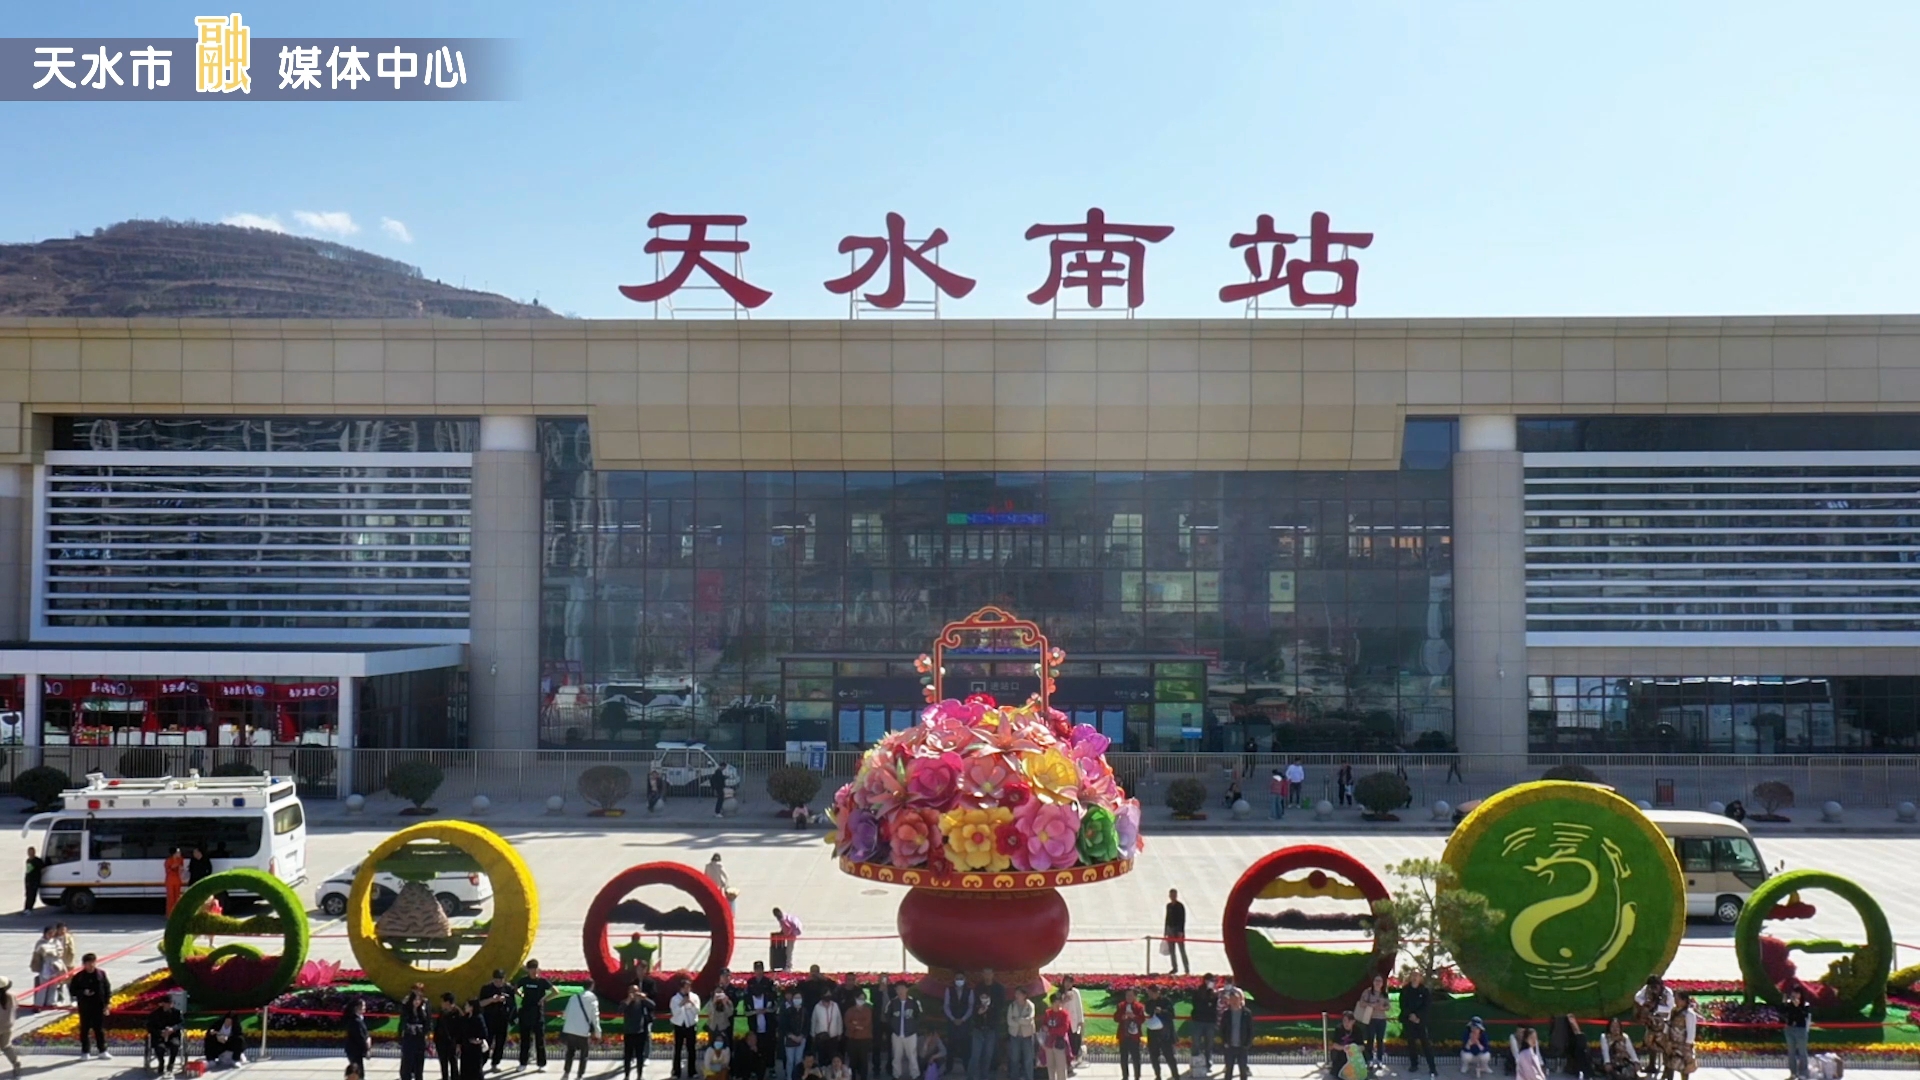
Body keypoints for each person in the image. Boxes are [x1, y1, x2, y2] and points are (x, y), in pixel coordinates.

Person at [518, 958, 559, 1069]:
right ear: (528, 970)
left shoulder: (542, 981)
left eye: (535, 968)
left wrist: (544, 999)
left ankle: (541, 1064)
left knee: (539, 1040)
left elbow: (555, 991)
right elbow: (515, 988)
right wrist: (521, 994)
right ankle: (523, 1063)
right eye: (531, 969)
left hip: (537, 1014)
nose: (533, 971)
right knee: (525, 1040)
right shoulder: (524, 980)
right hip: (525, 1013)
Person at [70, 951, 110, 1060]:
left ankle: (102, 1050)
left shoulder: (101, 974)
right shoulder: (79, 977)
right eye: (88, 963)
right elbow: (73, 990)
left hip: (98, 1006)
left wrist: (107, 1004)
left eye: (93, 962)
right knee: (85, 1029)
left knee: (99, 1029)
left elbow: (107, 989)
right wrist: (83, 992)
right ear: (84, 964)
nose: (91, 965)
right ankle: (85, 1051)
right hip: (85, 1006)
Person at [1634, 976, 1674, 1076]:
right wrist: (1645, 1003)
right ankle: (1651, 1065)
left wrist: (1656, 1007)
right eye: (1651, 987)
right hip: (1651, 1021)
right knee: (1650, 1043)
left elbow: (1670, 1008)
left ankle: (1667, 1069)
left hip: (1664, 1022)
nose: (1653, 989)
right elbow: (1637, 997)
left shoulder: (1668, 993)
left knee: (1664, 1046)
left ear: (1660, 985)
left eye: (1655, 987)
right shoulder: (1646, 989)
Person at [561, 986, 603, 1079]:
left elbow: (566, 1013)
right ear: (592, 986)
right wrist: (598, 1032)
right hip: (583, 1031)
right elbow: (595, 1017)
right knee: (584, 1055)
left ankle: (566, 1073)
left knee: (570, 1052)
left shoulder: (573, 997)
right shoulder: (592, 999)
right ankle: (579, 1075)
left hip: (570, 1029)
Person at [480, 968, 518, 1071]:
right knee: (487, 1042)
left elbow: (513, 1004)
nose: (498, 983)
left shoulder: (508, 989)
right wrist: (492, 1000)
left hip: (502, 1019)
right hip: (489, 1019)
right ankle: (481, 1062)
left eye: (500, 981)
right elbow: (480, 1003)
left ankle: (495, 1063)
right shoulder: (486, 988)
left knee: (500, 1042)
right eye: (496, 981)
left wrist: (505, 1000)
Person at [144, 981, 181, 1076]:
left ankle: (171, 1063)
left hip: (172, 1035)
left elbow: (181, 1023)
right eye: (168, 1003)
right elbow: (149, 1026)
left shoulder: (176, 1013)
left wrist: (173, 1029)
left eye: (171, 1003)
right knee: (160, 1047)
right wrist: (160, 1032)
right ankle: (161, 1062)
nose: (170, 1005)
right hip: (159, 1036)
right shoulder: (154, 1014)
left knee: (175, 1045)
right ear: (163, 1004)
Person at [885, 983, 921, 1080]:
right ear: (896, 990)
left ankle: (915, 1075)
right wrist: (893, 1027)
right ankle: (896, 1075)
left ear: (907, 989)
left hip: (911, 1034)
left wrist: (913, 1027)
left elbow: (919, 1016)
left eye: (902, 988)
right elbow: (887, 1016)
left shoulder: (914, 1002)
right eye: (898, 989)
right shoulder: (892, 1003)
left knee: (912, 1056)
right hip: (897, 1034)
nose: (900, 991)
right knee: (896, 1056)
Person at [942, 973, 974, 1075]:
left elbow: (971, 1006)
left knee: (966, 1046)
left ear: (965, 979)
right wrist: (952, 1018)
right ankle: (949, 1068)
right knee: (950, 1046)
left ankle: (967, 1068)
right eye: (957, 978)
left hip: (965, 1022)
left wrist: (963, 1019)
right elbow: (946, 1005)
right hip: (952, 1022)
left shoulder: (969, 991)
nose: (959, 980)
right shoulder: (949, 990)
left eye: (961, 978)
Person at [624, 982, 658, 1080]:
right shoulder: (626, 1002)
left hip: (640, 1032)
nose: (635, 993)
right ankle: (627, 1075)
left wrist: (644, 998)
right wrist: (629, 1000)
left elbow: (653, 1005)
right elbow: (620, 1010)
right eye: (632, 991)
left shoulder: (642, 1002)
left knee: (640, 1055)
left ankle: (639, 1075)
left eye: (636, 991)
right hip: (629, 1032)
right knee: (628, 1056)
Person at [399, 982, 433, 1080]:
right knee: (407, 1065)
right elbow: (403, 1021)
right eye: (415, 991)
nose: (418, 994)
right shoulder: (406, 1003)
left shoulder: (425, 1004)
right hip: (409, 1038)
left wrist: (428, 1036)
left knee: (419, 1065)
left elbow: (428, 1021)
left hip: (420, 1038)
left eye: (420, 992)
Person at [674, 977, 706, 1079]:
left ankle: (692, 1071)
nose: (687, 989)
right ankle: (676, 1072)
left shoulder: (694, 997)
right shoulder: (675, 999)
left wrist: (691, 1004)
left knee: (691, 1049)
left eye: (689, 987)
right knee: (678, 1049)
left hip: (691, 1025)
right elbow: (674, 1012)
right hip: (679, 1026)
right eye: (685, 987)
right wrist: (681, 1004)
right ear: (681, 988)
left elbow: (698, 1010)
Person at [1187, 974, 1219, 1076]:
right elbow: (1197, 1005)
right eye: (1210, 981)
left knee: (1209, 1043)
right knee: (1196, 1042)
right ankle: (1195, 1062)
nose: (1212, 983)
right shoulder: (1198, 992)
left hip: (1210, 1022)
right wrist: (1207, 1002)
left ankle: (1208, 1063)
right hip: (1198, 1021)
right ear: (1205, 981)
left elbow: (1214, 1006)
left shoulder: (1214, 993)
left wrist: (1211, 1000)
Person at [1356, 974, 1389, 1067]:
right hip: (1371, 1019)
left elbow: (1388, 1006)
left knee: (1380, 1040)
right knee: (1370, 1039)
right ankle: (1369, 1059)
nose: (1378, 983)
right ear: (1373, 982)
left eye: (1380, 981)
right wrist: (1370, 1005)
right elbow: (1361, 1003)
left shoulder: (1384, 993)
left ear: (1382, 983)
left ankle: (1379, 1059)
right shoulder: (1368, 992)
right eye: (1376, 980)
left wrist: (1382, 1007)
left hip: (1381, 1019)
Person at [1143, 986, 1176, 1080]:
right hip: (1153, 1033)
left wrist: (1162, 1011)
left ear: (1156, 992)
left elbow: (1172, 1015)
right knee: (1154, 1056)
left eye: (1151, 993)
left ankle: (1175, 1075)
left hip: (1165, 1033)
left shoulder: (1166, 1001)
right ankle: (1158, 1075)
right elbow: (1148, 1012)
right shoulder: (1148, 1002)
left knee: (1169, 1056)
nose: (1149, 995)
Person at [1218, 992, 1253, 1080]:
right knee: (1228, 1069)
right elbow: (1222, 1029)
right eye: (1232, 999)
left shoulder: (1246, 1013)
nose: (1234, 1002)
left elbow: (1250, 1030)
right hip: (1230, 1047)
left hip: (1242, 1047)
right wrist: (1225, 1042)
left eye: (1236, 999)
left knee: (1243, 1069)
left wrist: (1247, 1044)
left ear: (1240, 1000)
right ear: (1229, 1001)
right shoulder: (1226, 1014)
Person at [1781, 985, 1813, 1080]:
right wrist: (1784, 1004)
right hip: (1790, 1029)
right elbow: (1783, 1013)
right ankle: (1793, 1073)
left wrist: (1798, 1006)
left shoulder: (1805, 1004)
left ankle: (1803, 1073)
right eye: (1793, 993)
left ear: (1801, 994)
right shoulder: (1789, 1003)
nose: (1795, 995)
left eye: (1797, 993)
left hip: (1801, 1030)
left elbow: (1805, 1015)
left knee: (1802, 1052)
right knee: (1791, 1052)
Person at [1662, 995, 1697, 1080]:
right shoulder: (1673, 1011)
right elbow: (1668, 1024)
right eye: (1675, 999)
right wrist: (1665, 1037)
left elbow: (1691, 1030)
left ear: (1684, 1001)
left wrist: (1688, 1044)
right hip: (1671, 1043)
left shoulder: (1689, 1014)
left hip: (1683, 1044)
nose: (1676, 1001)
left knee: (1684, 1066)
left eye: (1678, 999)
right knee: (1669, 1064)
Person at [29, 926, 63, 1010]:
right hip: (45, 966)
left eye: (53, 933)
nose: (51, 935)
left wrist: (54, 953)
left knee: (53, 986)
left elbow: (60, 951)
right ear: (45, 933)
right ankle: (39, 1005)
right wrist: (47, 952)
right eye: (49, 933)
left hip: (55, 965)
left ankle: (50, 1002)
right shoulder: (40, 942)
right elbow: (39, 951)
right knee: (43, 986)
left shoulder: (56, 941)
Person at [811, 981, 844, 1065]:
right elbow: (814, 1021)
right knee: (822, 1058)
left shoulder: (835, 1005)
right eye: (826, 994)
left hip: (833, 1036)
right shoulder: (817, 1007)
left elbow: (839, 1019)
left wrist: (840, 1032)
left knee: (832, 1057)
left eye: (829, 994)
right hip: (821, 1037)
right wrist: (813, 1034)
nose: (828, 996)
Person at [1115, 988, 1146, 1080]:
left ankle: (1137, 1076)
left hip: (1134, 1037)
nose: (1128, 997)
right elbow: (1116, 1018)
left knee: (1136, 1058)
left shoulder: (1139, 1006)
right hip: (1123, 1036)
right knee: (1123, 1058)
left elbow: (1142, 1020)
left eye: (1131, 995)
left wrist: (1133, 1017)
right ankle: (1125, 1076)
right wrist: (1122, 1017)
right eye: (1127, 995)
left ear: (1135, 996)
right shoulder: (1121, 1005)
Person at [1006, 986, 1037, 1080]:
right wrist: (1022, 1021)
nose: (1016, 995)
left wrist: (1017, 1019)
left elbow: (1029, 1020)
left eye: (1019, 994)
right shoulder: (1012, 1005)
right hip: (1015, 1036)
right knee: (1014, 1059)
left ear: (1024, 995)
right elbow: (1009, 1021)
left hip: (1027, 1036)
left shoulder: (1030, 1005)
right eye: (1016, 994)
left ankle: (1029, 1078)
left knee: (1028, 1060)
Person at [845, 987, 874, 1080]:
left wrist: (855, 1023)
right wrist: (858, 1025)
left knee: (863, 1061)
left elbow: (866, 1023)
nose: (861, 1000)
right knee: (852, 1061)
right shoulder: (850, 1010)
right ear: (855, 998)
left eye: (863, 998)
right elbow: (847, 1023)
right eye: (859, 998)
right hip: (852, 1039)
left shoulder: (867, 1010)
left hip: (864, 1039)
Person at [1550, 1014, 1591, 1080]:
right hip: (1573, 1059)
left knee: (1580, 1041)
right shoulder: (1568, 1038)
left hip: (1578, 1058)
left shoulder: (1580, 1038)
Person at [785, 988, 813, 1080]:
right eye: (795, 998)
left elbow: (807, 1025)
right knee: (790, 1061)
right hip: (790, 1039)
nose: (797, 1000)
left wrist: (802, 1036)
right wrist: (792, 1036)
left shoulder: (805, 1011)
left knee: (798, 1060)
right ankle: (789, 1077)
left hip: (801, 1039)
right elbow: (784, 1026)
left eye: (799, 998)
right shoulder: (788, 1011)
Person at [1041, 993, 1071, 1080]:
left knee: (1061, 1068)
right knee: (1050, 1067)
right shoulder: (1048, 1013)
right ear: (1051, 1003)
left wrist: (1050, 1030)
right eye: (1055, 1002)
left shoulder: (1064, 1014)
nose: (1057, 1005)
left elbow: (1064, 1029)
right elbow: (1044, 1024)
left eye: (1059, 1002)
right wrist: (1044, 1028)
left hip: (1059, 1043)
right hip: (1049, 1044)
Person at [435, 993, 465, 1080]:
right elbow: (438, 1027)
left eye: (443, 1002)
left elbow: (461, 1030)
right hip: (441, 1042)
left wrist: (459, 1043)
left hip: (453, 1042)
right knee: (443, 1063)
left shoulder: (457, 1013)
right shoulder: (442, 1012)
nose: (441, 1004)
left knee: (453, 1063)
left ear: (447, 1002)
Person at [1057, 975, 1083, 1073]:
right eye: (1066, 982)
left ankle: (1071, 1063)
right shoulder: (1059, 993)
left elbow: (1079, 1007)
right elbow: (1056, 1007)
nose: (1068, 984)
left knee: (1074, 1042)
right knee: (1064, 1044)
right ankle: (1065, 1064)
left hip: (1074, 1022)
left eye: (1070, 982)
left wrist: (1081, 1021)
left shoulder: (1075, 992)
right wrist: (1064, 1001)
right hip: (1063, 1023)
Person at [460, 999, 492, 1080]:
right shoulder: (465, 1018)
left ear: (472, 1007)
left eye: (467, 1005)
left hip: (475, 1049)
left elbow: (484, 1032)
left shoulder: (478, 1018)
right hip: (465, 1047)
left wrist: (479, 1039)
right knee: (465, 1070)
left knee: (476, 1070)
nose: (465, 1007)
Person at [1162, 890, 1190, 975]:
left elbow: (1182, 919)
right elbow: (1167, 918)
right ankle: (1174, 967)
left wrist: (1181, 931)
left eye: (1174, 895)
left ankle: (1186, 968)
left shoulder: (1180, 906)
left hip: (1178, 931)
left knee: (1182, 950)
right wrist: (1166, 931)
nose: (1172, 897)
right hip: (1170, 930)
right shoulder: (1168, 906)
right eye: (1171, 895)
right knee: (1172, 951)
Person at [344, 997, 372, 1075]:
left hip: (355, 1050)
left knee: (358, 1071)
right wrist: (366, 1049)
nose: (365, 1008)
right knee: (358, 1072)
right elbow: (360, 1037)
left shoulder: (359, 1019)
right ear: (357, 1007)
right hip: (354, 1050)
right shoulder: (355, 1021)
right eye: (363, 1006)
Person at [773, 907, 804, 972]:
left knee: (789, 951)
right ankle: (788, 965)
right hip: (792, 934)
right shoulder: (785, 916)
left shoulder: (782, 919)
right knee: (789, 950)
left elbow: (788, 928)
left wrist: (786, 934)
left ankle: (789, 966)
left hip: (791, 936)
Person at [163, 846, 186, 915]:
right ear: (174, 853)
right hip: (170, 880)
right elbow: (168, 870)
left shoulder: (180, 859)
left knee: (177, 897)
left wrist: (181, 869)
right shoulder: (168, 860)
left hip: (177, 879)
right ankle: (170, 913)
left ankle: (177, 913)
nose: (180, 853)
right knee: (171, 897)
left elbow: (181, 869)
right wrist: (173, 867)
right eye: (178, 852)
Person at [20, 849, 42, 916]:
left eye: (32, 852)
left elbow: (42, 868)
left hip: (34, 881)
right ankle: (26, 908)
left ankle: (29, 909)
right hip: (28, 881)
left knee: (32, 895)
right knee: (28, 895)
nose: (30, 853)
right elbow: (28, 871)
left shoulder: (37, 861)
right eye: (29, 852)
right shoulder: (28, 861)